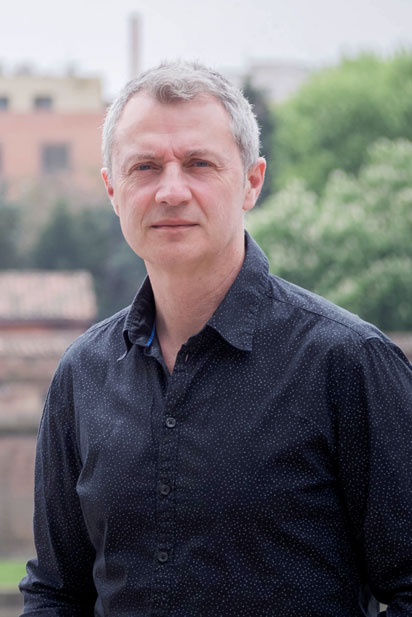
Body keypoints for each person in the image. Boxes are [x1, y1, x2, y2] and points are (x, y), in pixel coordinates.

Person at [20, 61, 412, 616]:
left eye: (200, 164)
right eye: (145, 167)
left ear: (252, 181)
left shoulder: (346, 362)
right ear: (112, 189)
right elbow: (56, 592)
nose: (171, 190)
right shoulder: (83, 374)